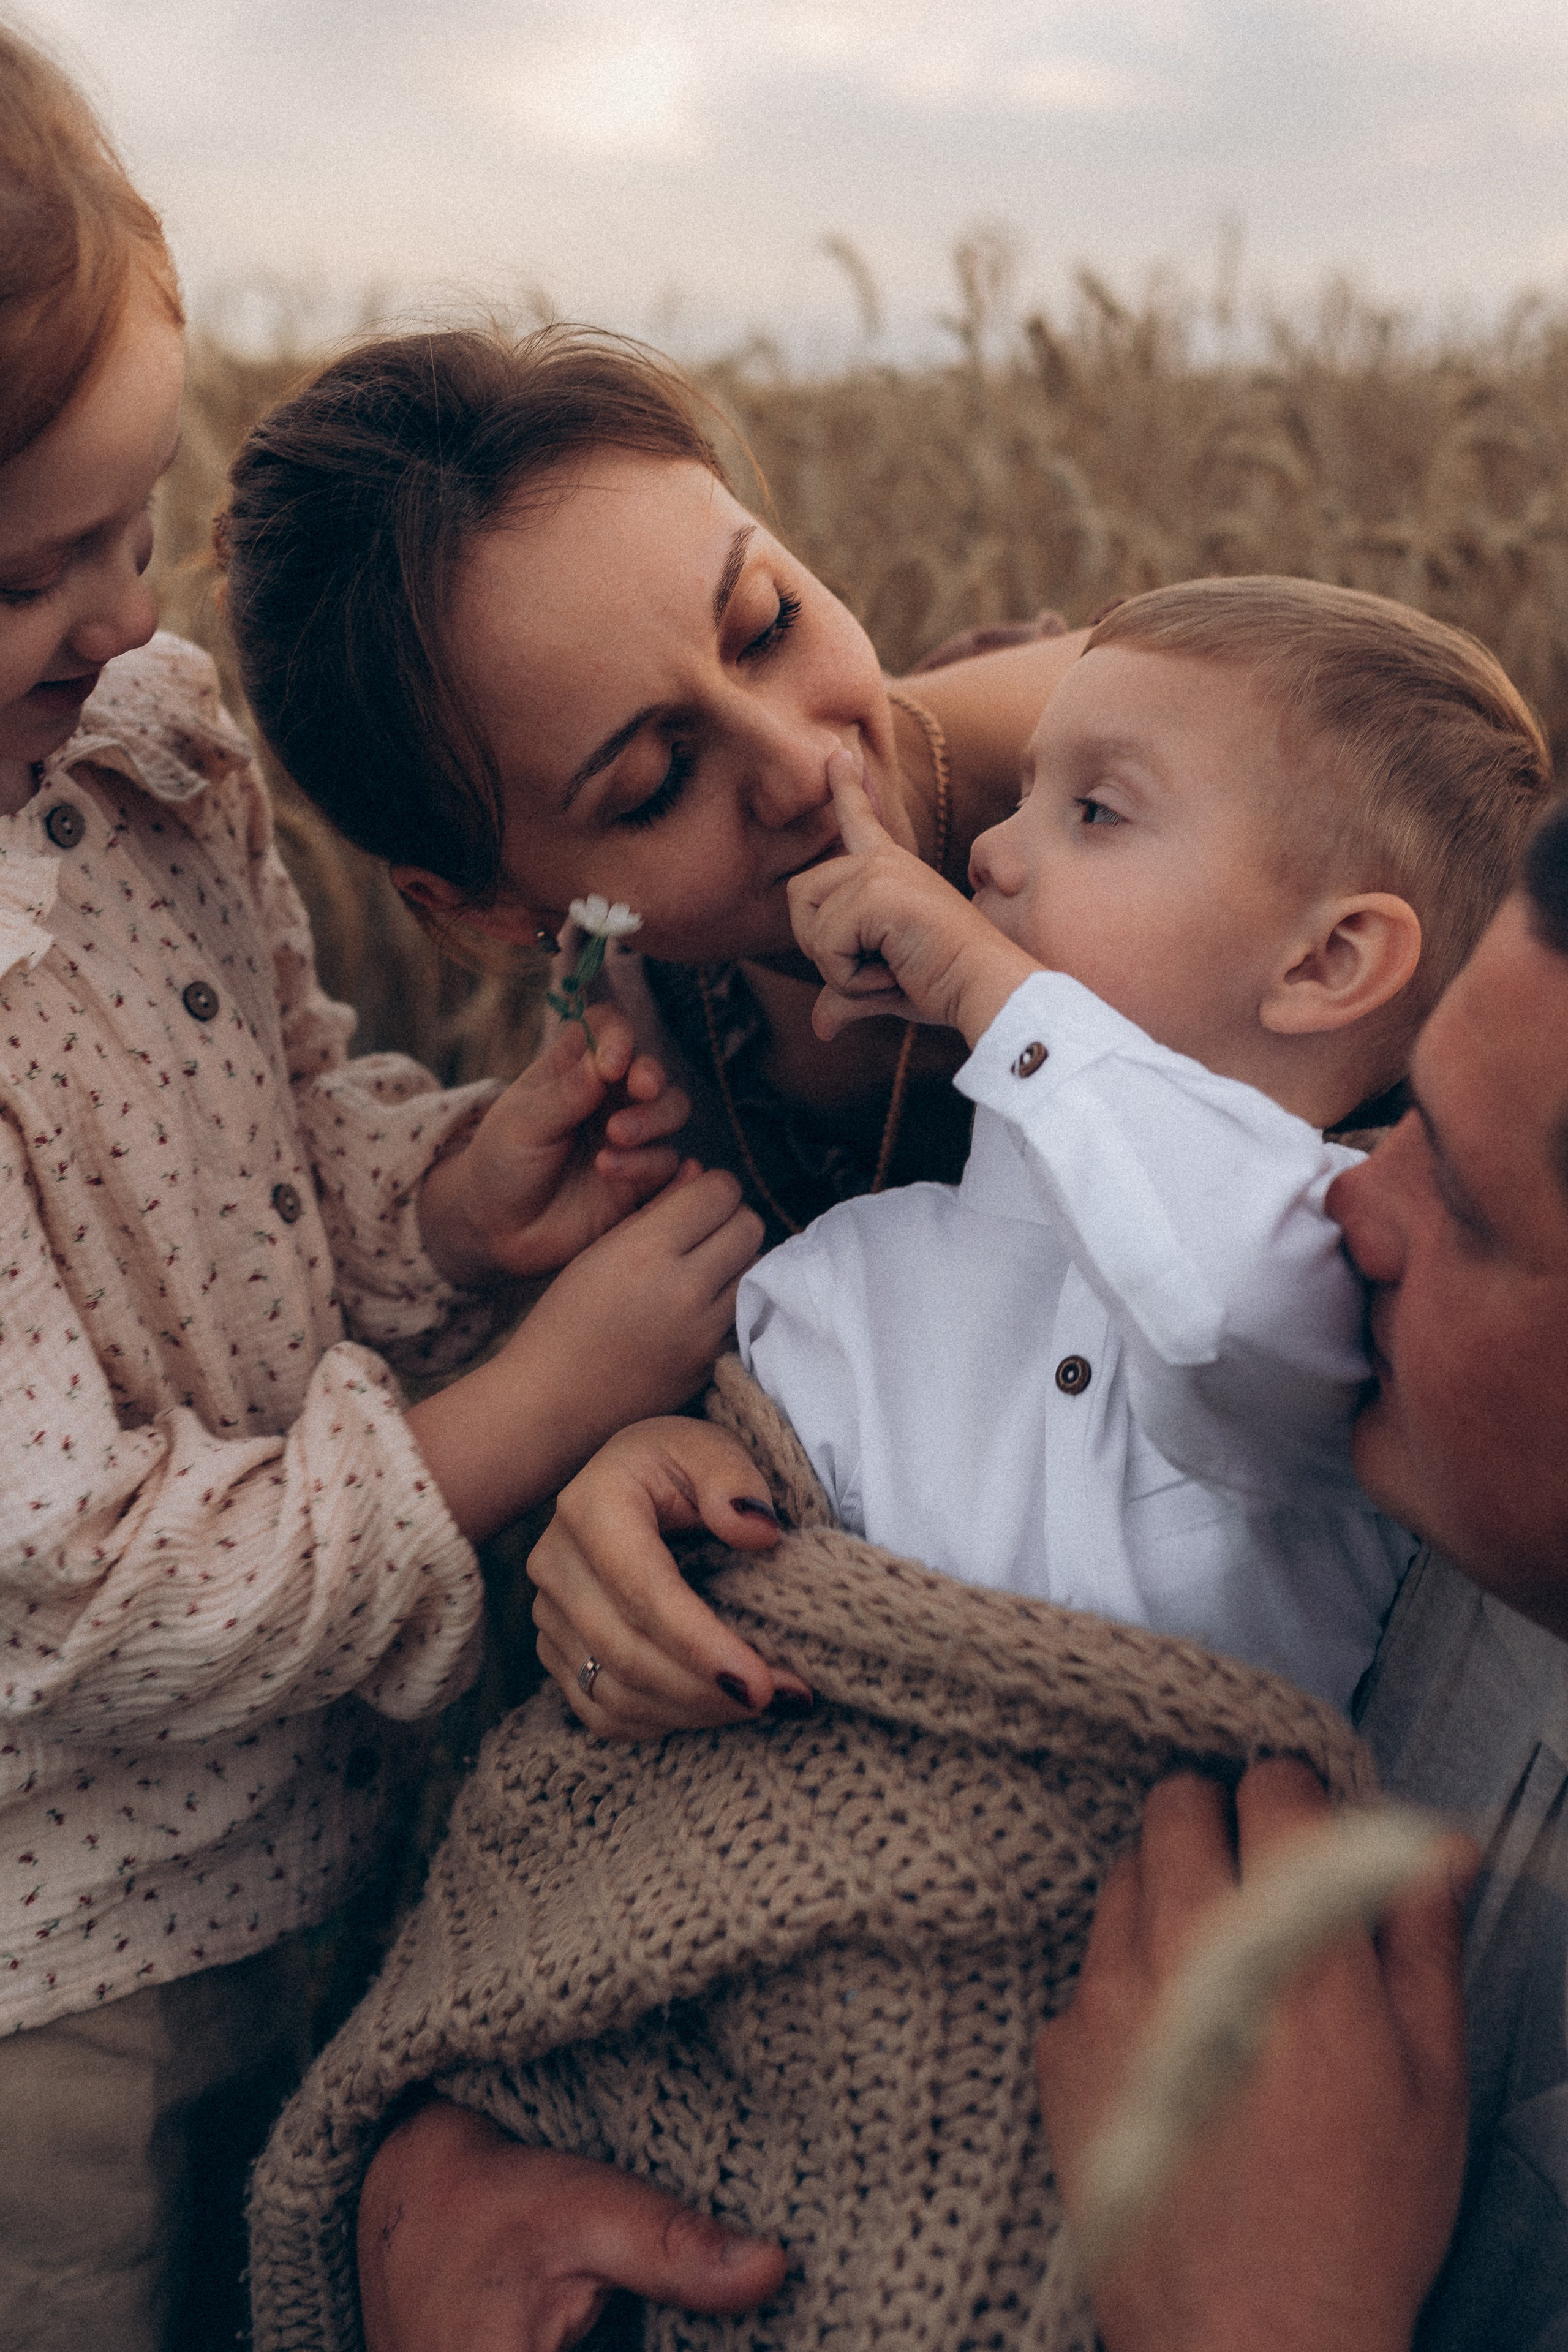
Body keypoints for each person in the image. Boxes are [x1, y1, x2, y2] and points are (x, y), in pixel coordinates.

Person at [351, 795, 1568, 2352]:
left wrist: (1271, 2314)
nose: (1346, 1198)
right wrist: (443, 2168)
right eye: (1389, 1128)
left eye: (1458, 1195)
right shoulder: (1419, 1468)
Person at [0, 30, 760, 2349]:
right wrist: (541, 1402)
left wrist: (451, 1199)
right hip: (61, 1984)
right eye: (27, 573)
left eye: (136, 527)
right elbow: (75, 1583)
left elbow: (273, 1132)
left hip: (325, 1832)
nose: (119, 617)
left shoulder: (137, 751)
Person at [736, 576, 1550, 1709]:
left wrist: (987, 986)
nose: (990, 852)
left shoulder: (1348, 1264)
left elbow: (1218, 1310)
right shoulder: (842, 1275)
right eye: (1023, 794)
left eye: (1096, 812)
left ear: (1326, 963)